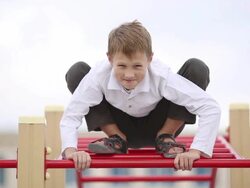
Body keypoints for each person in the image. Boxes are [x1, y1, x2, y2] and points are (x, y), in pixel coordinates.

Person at [60, 20, 221, 171]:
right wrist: (71, 151)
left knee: (196, 67)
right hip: (119, 125)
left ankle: (166, 136)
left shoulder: (162, 75)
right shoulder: (98, 75)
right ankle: (117, 139)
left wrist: (196, 150)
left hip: (159, 124)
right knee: (77, 71)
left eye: (137, 66)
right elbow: (72, 114)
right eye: (122, 66)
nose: (129, 74)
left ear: (150, 59)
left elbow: (210, 107)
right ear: (109, 59)